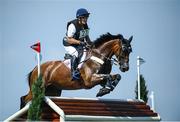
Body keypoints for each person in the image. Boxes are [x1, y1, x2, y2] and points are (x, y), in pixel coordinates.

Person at [63, 8, 93, 80]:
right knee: (76, 54)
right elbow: (69, 39)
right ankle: (74, 72)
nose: (85, 19)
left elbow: (87, 37)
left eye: (86, 17)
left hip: (78, 44)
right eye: (84, 17)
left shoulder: (85, 25)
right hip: (68, 44)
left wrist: (92, 45)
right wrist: (80, 42)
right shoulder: (72, 25)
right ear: (79, 18)